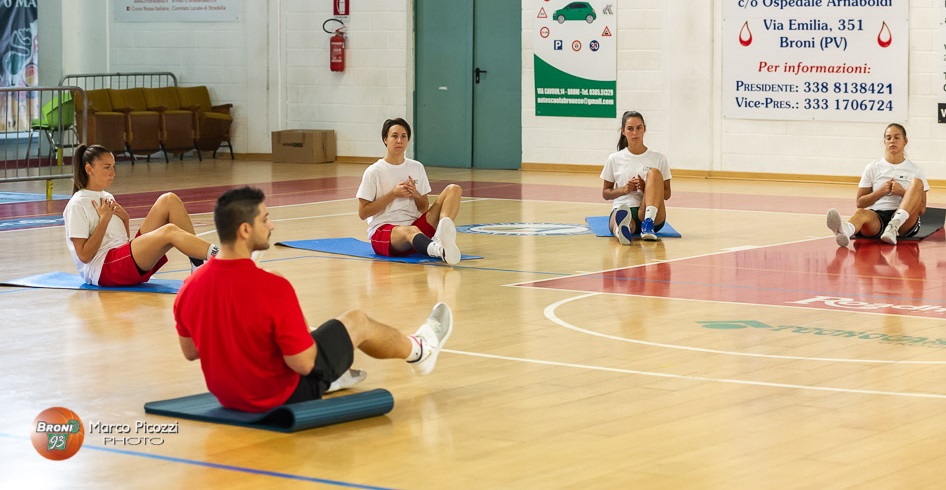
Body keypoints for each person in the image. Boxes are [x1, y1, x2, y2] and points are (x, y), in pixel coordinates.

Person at [173, 187, 453, 413]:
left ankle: (341, 368)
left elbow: (191, 352)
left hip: (228, 397)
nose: (272, 224)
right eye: (264, 218)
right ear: (245, 230)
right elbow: (304, 365)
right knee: (357, 321)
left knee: (289, 327)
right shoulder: (272, 285)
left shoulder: (189, 286)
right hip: (280, 395)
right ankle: (421, 351)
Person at [63, 144, 219, 286]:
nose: (113, 173)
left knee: (169, 199)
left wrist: (125, 218)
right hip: (103, 270)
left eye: (113, 167)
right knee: (169, 231)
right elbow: (84, 255)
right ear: (89, 169)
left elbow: (121, 241)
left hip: (121, 260)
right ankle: (223, 257)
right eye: (106, 167)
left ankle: (197, 263)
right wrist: (104, 220)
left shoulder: (107, 196)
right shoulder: (77, 204)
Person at [356, 117, 463, 265]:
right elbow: (363, 213)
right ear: (385, 139)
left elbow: (424, 207)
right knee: (411, 231)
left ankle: (440, 236)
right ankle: (440, 251)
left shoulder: (417, 167)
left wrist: (415, 194)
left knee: (454, 189)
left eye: (403, 136)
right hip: (385, 233)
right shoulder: (374, 171)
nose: (399, 140)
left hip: (415, 227)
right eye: (394, 136)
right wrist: (393, 194)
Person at [826, 123, 928, 247]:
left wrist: (902, 192)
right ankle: (844, 231)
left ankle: (893, 226)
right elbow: (860, 202)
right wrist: (880, 192)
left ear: (905, 141)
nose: (892, 141)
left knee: (917, 182)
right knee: (861, 213)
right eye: (888, 138)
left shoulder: (915, 170)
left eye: (897, 137)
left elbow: (921, 209)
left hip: (904, 221)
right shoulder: (872, 167)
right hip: (878, 216)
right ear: (884, 141)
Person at [600, 111, 672, 244]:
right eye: (630, 128)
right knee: (621, 218)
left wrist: (648, 189)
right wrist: (624, 189)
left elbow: (667, 194)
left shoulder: (659, 158)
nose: (635, 133)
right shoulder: (614, 159)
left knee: (654, 173)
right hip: (624, 206)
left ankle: (648, 225)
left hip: (649, 210)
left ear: (644, 129)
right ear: (623, 131)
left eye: (639, 128)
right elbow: (606, 193)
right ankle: (622, 230)